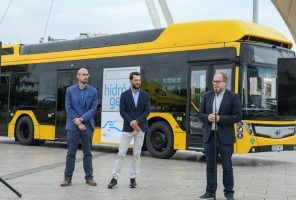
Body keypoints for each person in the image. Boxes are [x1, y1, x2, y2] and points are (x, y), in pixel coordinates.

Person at [197, 72, 242, 200]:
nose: (214, 84)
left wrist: (220, 118)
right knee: (210, 166)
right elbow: (200, 114)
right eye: (213, 81)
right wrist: (208, 117)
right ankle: (210, 192)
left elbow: (238, 116)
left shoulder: (233, 96)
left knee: (227, 167)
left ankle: (229, 193)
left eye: (217, 81)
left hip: (225, 138)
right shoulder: (207, 96)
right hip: (210, 137)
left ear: (224, 82)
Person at [108, 71, 151, 189]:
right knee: (121, 153)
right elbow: (122, 111)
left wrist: (137, 121)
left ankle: (133, 179)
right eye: (136, 80)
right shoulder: (124, 95)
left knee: (137, 154)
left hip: (140, 128)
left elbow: (147, 111)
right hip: (128, 128)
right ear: (131, 80)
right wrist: (131, 122)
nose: (138, 82)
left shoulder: (145, 95)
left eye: (139, 80)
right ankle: (114, 179)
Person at [60, 68, 99, 187]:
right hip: (73, 125)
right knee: (71, 153)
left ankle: (89, 177)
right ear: (78, 76)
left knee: (87, 153)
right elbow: (68, 107)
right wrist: (77, 122)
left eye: (87, 74)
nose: (86, 76)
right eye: (83, 74)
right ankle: (67, 178)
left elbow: (93, 108)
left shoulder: (93, 91)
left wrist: (82, 120)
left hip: (87, 125)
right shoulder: (70, 90)